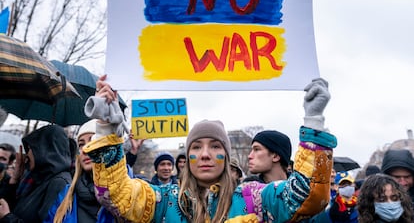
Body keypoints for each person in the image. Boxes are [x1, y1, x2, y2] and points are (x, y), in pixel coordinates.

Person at [81, 76, 337, 222]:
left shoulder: (256, 198)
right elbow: (116, 195)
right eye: (197, 147)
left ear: (226, 156)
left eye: (215, 146)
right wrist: (106, 128)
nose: (204, 154)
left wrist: (314, 120)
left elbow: (309, 197)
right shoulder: (163, 201)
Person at [0, 125, 72, 222]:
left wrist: (8, 218)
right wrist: (15, 179)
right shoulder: (37, 178)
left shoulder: (59, 182)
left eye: (30, 148)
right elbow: (9, 207)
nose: (27, 154)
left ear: (44, 150)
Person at [45, 119, 102, 223]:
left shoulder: (132, 192)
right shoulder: (66, 194)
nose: (85, 149)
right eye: (81, 144)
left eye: (93, 141)